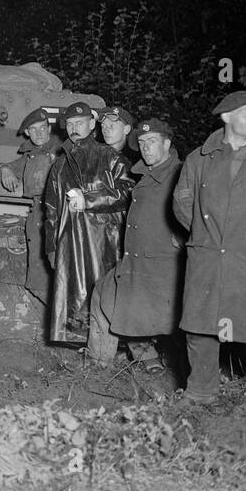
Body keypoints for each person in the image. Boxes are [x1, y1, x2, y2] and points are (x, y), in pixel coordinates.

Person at [173, 90, 246, 414]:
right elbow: (182, 202)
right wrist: (207, 236)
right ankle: (201, 391)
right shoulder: (199, 158)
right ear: (226, 117)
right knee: (201, 327)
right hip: (209, 255)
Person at [93, 118, 187, 372]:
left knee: (174, 318)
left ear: (167, 144)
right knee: (111, 296)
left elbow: (195, 213)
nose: (145, 147)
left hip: (165, 261)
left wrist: (179, 243)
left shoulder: (181, 174)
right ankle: (107, 361)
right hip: (138, 259)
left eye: (152, 141)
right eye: (142, 143)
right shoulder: (148, 173)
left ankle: (183, 365)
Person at [43, 101, 135, 346]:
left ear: (92, 124)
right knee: (71, 296)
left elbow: (126, 192)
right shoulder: (60, 165)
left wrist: (90, 200)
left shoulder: (109, 156)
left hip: (101, 242)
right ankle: (77, 347)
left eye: (80, 123)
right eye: (70, 124)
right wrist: (51, 247)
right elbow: (51, 209)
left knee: (101, 294)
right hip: (68, 241)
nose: (74, 128)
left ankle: (105, 349)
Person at [0, 107, 61, 299]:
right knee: (39, 278)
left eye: (42, 128)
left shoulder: (62, 150)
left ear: (49, 128)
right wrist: (5, 170)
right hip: (39, 215)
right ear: (27, 133)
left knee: (61, 272)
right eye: (33, 129)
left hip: (61, 215)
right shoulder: (31, 155)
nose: (39, 133)